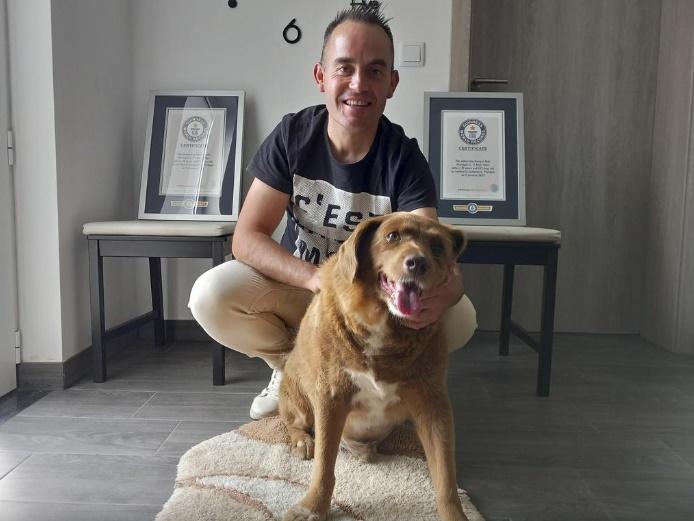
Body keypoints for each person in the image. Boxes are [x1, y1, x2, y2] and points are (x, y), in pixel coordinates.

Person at [188, 5, 477, 420]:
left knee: (461, 318)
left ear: (392, 83)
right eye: (345, 68)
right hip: (305, 289)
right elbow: (247, 238)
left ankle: (376, 380)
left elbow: (432, 252)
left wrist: (450, 290)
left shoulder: (405, 159)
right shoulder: (292, 136)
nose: (359, 84)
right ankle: (293, 368)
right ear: (321, 76)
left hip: (371, 299)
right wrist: (314, 278)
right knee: (210, 295)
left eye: (375, 71)